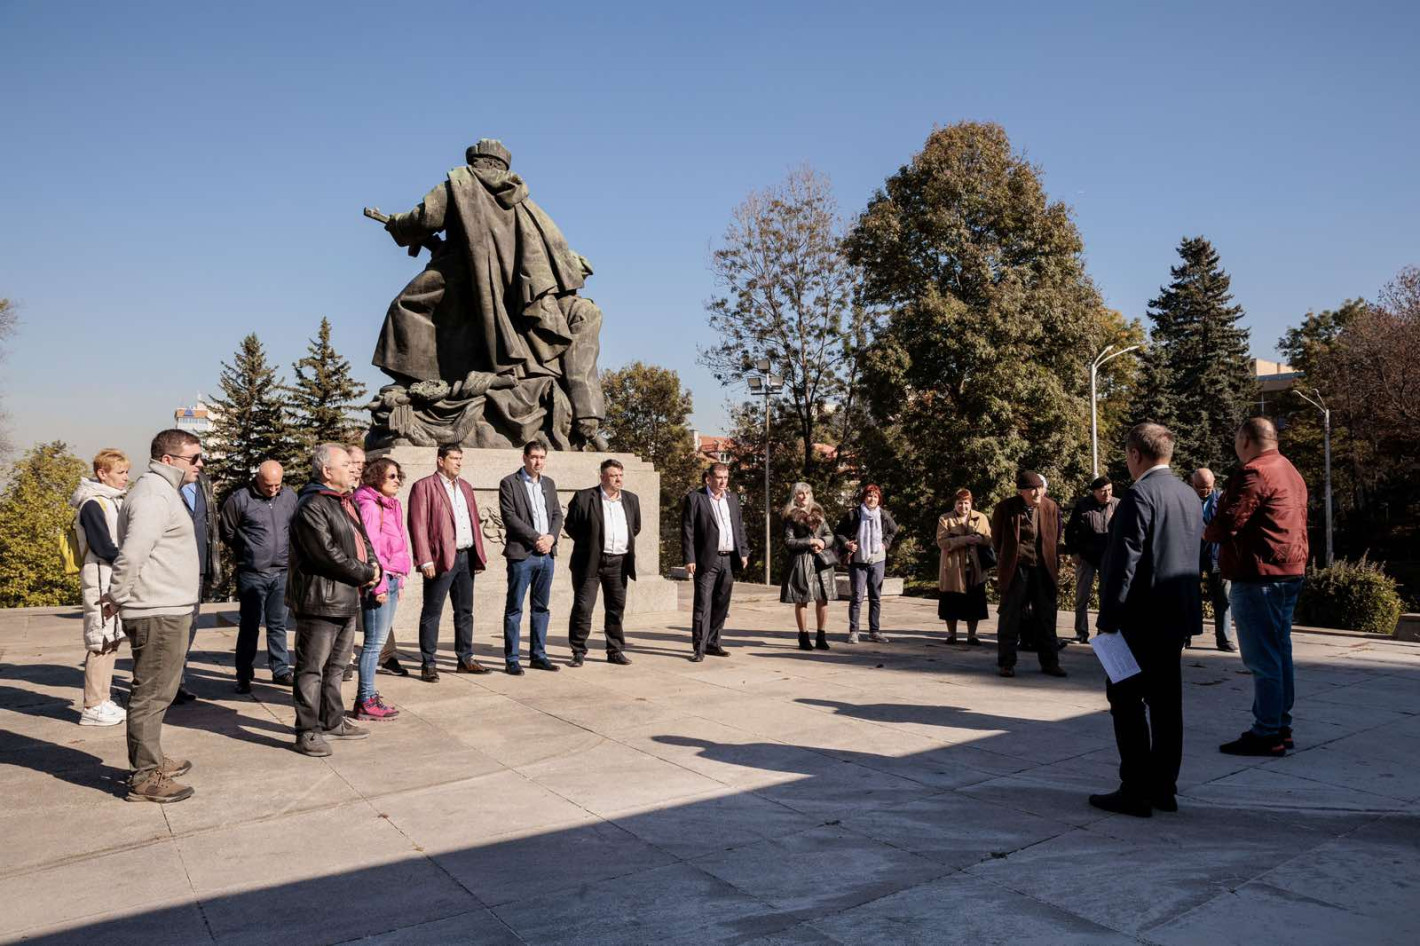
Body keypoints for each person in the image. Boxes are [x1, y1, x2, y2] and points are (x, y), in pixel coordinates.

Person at [369, 138, 607, 450]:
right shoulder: (524, 201)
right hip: (513, 289)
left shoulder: (461, 183)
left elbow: (425, 218)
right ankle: (427, 389)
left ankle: (411, 385)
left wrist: (398, 226)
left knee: (406, 307)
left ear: (475, 161)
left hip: (464, 276)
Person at [1088, 423, 1202, 818]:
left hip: (1139, 621)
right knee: (1168, 704)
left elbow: (1124, 565)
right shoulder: (1188, 493)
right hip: (1175, 618)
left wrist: (1108, 619)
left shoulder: (1139, 496)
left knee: (1126, 701)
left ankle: (1135, 789)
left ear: (1135, 454)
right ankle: (1163, 788)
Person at [101, 429, 204, 803]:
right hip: (156, 610)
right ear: (168, 460)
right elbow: (132, 552)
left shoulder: (160, 492)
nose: (200, 464)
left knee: (161, 691)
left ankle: (154, 758)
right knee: (150, 694)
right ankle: (145, 776)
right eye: (193, 458)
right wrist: (117, 594)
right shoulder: (152, 495)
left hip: (167, 606)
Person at [1205, 418, 1309, 757]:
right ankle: (1281, 726)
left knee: (1263, 659)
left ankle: (1266, 732)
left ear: (1245, 439)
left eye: (1236, 439)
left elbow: (1228, 522)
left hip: (1259, 574)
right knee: (1280, 655)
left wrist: (1207, 531)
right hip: (1289, 570)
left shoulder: (1255, 472)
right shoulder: (1289, 469)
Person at [286, 444, 380, 757]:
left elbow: (362, 539)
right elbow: (326, 554)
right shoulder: (312, 504)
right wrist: (364, 572)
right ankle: (307, 731)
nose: (354, 469)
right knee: (312, 668)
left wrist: (374, 565)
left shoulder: (343, 502)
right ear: (327, 471)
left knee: (337, 666)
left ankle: (332, 719)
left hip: (345, 597)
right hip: (320, 600)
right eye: (346, 464)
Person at [408, 443, 489, 681]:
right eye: (454, 458)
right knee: (432, 611)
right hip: (440, 559)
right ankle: (429, 662)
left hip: (465, 556)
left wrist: (478, 554)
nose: (459, 462)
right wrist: (424, 559)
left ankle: (465, 658)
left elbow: (473, 522)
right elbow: (418, 525)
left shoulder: (465, 487)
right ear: (440, 460)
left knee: (465, 611)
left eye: (460, 458)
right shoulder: (423, 487)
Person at [219, 460, 299, 693]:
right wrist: (247, 549)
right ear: (257, 479)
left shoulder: (289, 497)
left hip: (281, 572)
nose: (273, 490)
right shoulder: (240, 499)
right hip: (252, 573)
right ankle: (244, 674)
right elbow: (228, 531)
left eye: (277, 485)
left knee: (278, 624)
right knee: (249, 625)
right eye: (268, 486)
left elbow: (294, 526)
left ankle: (281, 670)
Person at [69, 448, 131, 726]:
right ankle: (92, 704)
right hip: (100, 578)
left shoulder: (110, 501)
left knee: (112, 639)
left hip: (110, 577)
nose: (125, 478)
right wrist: (130, 560)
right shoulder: (93, 504)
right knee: (100, 641)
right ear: (101, 474)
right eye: (120, 473)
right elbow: (104, 546)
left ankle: (103, 699)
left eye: (126, 472)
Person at [564, 458, 641, 666]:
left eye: (620, 475)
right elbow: (571, 526)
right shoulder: (584, 497)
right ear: (602, 477)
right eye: (613, 475)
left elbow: (635, 527)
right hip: (590, 562)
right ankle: (578, 651)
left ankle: (614, 650)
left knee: (616, 608)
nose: (618, 479)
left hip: (619, 563)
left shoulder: (631, 499)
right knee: (583, 607)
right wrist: (591, 544)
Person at [991, 471, 1068, 678]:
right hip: (1016, 569)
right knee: (1010, 617)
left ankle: (1050, 662)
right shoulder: (1005, 508)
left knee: (1046, 617)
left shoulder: (1050, 507)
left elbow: (1055, 535)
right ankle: (1006, 663)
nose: (1037, 493)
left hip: (1043, 569)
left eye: (1039, 488)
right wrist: (1009, 560)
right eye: (1032, 489)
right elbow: (997, 540)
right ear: (1022, 491)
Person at [353, 457, 412, 720]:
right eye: (392, 476)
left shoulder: (392, 504)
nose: (397, 480)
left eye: (398, 475)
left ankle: (367, 696)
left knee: (377, 641)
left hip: (391, 577)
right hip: (378, 580)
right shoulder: (369, 505)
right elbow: (371, 548)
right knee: (374, 644)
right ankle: (366, 699)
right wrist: (378, 585)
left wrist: (398, 578)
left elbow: (399, 542)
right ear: (377, 477)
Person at [498, 441, 563, 675]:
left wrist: (551, 538)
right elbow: (510, 517)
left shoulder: (549, 483)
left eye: (542, 457)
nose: (538, 462)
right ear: (524, 458)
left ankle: (538, 655)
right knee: (514, 608)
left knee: (541, 607)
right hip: (522, 555)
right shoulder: (509, 483)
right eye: (534, 457)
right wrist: (537, 538)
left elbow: (557, 514)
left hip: (547, 556)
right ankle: (512, 659)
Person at [682, 463, 750, 662]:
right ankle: (699, 648)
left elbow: (739, 527)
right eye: (719, 478)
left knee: (722, 604)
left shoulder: (732, 499)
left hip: (729, 559)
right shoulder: (696, 498)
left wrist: (743, 552)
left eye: (726, 478)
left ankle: (713, 643)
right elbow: (688, 531)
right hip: (706, 560)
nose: (723, 482)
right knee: (703, 604)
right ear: (708, 479)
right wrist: (689, 558)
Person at [173, 467, 219, 704]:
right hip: (173, 569)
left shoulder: (202, 483)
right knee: (172, 630)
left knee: (190, 626)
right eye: (193, 458)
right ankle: (166, 686)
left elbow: (210, 524)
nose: (199, 463)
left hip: (198, 565)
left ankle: (177, 683)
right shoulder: (164, 487)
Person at [780, 483, 838, 652]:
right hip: (801, 562)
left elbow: (830, 535)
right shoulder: (791, 516)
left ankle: (821, 636)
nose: (804, 496)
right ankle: (803, 636)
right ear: (795, 496)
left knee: (823, 599)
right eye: (800, 493)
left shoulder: (818, 512)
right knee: (802, 600)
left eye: (807, 493)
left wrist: (822, 542)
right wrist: (810, 541)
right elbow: (788, 542)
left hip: (821, 562)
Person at [836, 484, 898, 644]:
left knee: (875, 597)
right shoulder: (854, 514)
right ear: (864, 497)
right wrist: (847, 544)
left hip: (878, 560)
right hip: (858, 561)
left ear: (879, 499)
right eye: (869, 496)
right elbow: (839, 532)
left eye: (875, 496)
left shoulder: (883, 515)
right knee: (857, 597)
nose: (872, 499)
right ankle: (854, 631)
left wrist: (886, 543)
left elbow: (893, 530)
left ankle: (874, 631)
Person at [1065, 475, 1119, 644]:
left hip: (1108, 558)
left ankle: (1103, 631)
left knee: (1106, 596)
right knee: (1082, 596)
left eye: (1109, 490)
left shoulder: (1118, 505)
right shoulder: (1082, 505)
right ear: (1094, 492)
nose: (1107, 494)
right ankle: (1081, 632)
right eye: (1103, 491)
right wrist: (1074, 552)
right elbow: (1070, 531)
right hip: (1086, 557)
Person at [936, 488, 992, 646]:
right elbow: (942, 542)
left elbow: (989, 538)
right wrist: (965, 540)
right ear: (955, 503)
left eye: (966, 503)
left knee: (974, 603)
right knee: (951, 602)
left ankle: (972, 635)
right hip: (952, 569)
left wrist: (979, 539)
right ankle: (951, 635)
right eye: (960, 503)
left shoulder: (981, 518)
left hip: (975, 568)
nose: (963, 506)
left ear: (971, 503)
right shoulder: (945, 519)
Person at [1190, 468, 1236, 652]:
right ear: (1192, 483)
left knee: (1223, 597)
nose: (1204, 491)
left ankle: (1224, 639)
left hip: (1217, 554)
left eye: (1208, 487)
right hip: (1192, 555)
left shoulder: (1223, 500)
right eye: (1200, 487)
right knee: (1190, 596)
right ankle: (1186, 635)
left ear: (1214, 483)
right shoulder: (1186, 499)